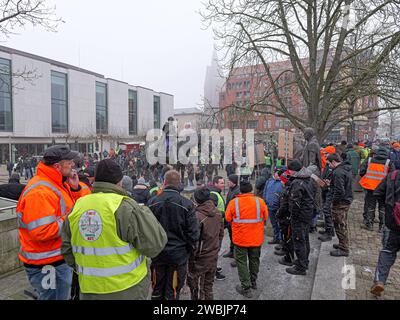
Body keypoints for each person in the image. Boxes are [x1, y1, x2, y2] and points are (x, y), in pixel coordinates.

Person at [61, 159, 167, 300]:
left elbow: (67, 249)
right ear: (120, 181)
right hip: (128, 289)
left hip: (89, 289)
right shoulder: (126, 206)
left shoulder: (78, 206)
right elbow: (155, 245)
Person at [16, 145, 91, 300]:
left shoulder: (57, 183)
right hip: (47, 264)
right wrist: (72, 218)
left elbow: (76, 206)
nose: (73, 164)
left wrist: (75, 189)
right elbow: (42, 231)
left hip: (54, 260)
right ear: (57, 166)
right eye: (69, 161)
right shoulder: (40, 192)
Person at [148, 170, 199, 300]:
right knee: (173, 290)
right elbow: (193, 233)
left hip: (158, 252)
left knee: (157, 289)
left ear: (164, 183)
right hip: (178, 254)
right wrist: (188, 249)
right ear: (179, 184)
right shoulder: (187, 204)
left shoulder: (153, 202)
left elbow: (147, 229)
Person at [225, 177, 268, 298]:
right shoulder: (260, 201)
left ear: (240, 191)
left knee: (241, 262)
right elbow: (265, 217)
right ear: (251, 190)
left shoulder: (234, 202)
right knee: (255, 260)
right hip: (256, 238)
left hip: (240, 239)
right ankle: (253, 282)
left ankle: (246, 287)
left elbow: (228, 218)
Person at [188, 188, 224, 300]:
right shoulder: (218, 212)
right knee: (208, 286)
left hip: (200, 258)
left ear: (197, 200)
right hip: (213, 255)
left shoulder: (197, 216)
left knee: (197, 288)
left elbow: (193, 240)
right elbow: (221, 234)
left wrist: (192, 256)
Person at [370, 168, 400, 297]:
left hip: (392, 224)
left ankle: (380, 281)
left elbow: (377, 192)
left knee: (387, 252)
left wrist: (388, 207)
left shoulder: (393, 175)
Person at [359, 147, 395, 232]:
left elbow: (361, 172)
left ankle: (369, 224)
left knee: (370, 206)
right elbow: (392, 177)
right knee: (382, 207)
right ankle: (381, 227)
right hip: (383, 189)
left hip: (370, 187)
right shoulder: (389, 163)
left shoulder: (369, 160)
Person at [326, 154, 353, 257]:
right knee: (342, 224)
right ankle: (342, 244)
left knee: (339, 225)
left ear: (333, 162)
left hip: (341, 203)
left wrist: (333, 202)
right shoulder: (345, 169)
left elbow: (339, 190)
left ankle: (344, 249)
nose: (329, 166)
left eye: (329, 164)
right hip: (346, 200)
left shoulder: (338, 172)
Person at [208, 175, 227, 280]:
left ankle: (213, 267)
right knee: (214, 250)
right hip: (216, 227)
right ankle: (213, 272)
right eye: (221, 183)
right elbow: (211, 211)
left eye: (223, 182)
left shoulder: (215, 193)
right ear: (215, 184)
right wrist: (224, 214)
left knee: (216, 249)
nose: (223, 185)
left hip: (218, 225)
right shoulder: (214, 195)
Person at [263, 168, 284, 245]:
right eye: (276, 173)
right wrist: (265, 201)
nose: (277, 175)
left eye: (279, 173)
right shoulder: (269, 181)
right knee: (274, 223)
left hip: (279, 207)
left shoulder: (282, 183)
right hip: (270, 207)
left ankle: (281, 239)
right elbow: (265, 192)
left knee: (280, 224)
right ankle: (276, 238)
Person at [223, 174, 240, 259]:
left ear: (233, 182)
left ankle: (236, 255)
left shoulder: (237, 191)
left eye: (229, 181)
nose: (227, 182)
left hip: (234, 219)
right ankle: (231, 251)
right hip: (229, 217)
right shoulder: (231, 189)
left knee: (235, 237)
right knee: (231, 235)